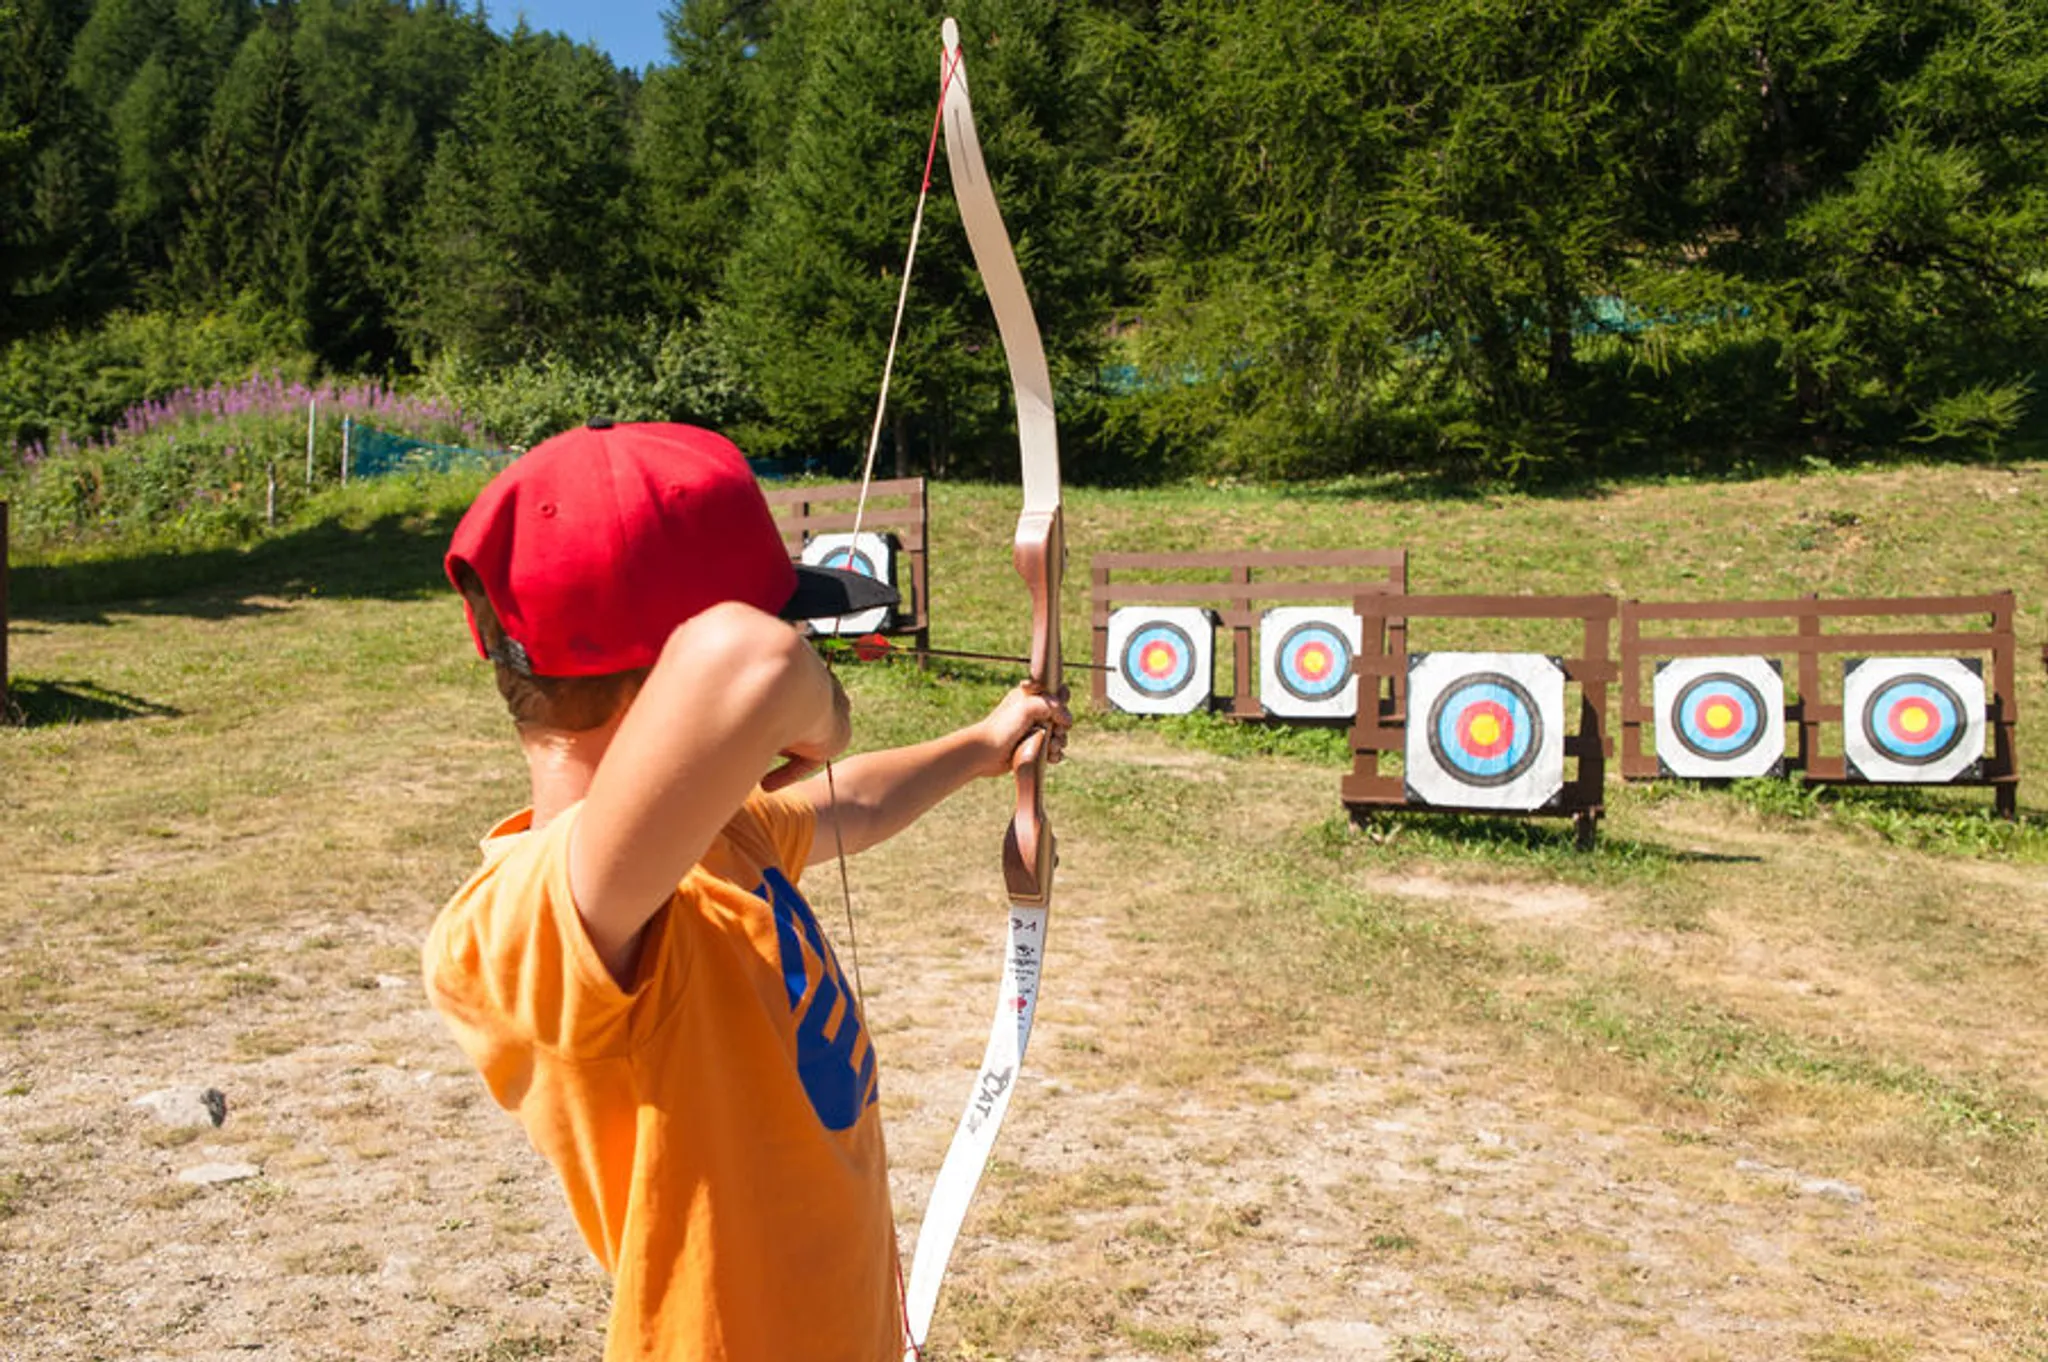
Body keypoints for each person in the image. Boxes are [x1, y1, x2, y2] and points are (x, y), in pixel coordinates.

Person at [421, 420, 1069, 1361]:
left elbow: (845, 807)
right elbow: (747, 661)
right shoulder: (527, 927)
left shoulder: (710, 841)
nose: (800, 647)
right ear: (665, 684)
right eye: (797, 628)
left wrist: (981, 745)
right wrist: (825, 714)